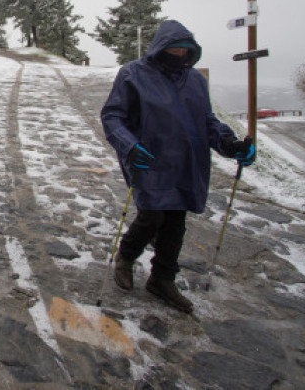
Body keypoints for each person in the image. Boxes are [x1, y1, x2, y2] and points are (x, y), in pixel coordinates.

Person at [100, 20, 255, 313]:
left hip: (186, 162)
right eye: (174, 49)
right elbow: (112, 116)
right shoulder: (133, 74)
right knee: (153, 216)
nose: (179, 54)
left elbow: (207, 121)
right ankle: (126, 256)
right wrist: (128, 146)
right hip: (149, 158)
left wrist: (231, 144)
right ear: (160, 47)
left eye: (185, 50)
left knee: (175, 222)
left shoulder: (195, 81)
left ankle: (162, 278)